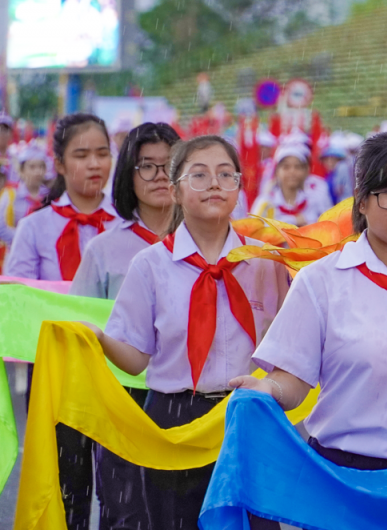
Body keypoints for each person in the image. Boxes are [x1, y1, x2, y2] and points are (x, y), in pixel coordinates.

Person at [230, 131, 387, 525]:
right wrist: (267, 389)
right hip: (341, 482)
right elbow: (293, 380)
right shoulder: (321, 282)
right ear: (362, 198)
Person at [85, 135, 290, 530]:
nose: (214, 183)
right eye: (199, 175)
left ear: (239, 188)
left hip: (249, 414)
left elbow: (291, 345)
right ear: (175, 189)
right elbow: (135, 358)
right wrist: (96, 338)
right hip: (176, 418)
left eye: (225, 174)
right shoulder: (150, 266)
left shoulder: (267, 263)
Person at [5, 113, 121, 530]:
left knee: (120, 484)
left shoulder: (131, 226)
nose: (94, 164)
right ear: (58, 163)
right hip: (57, 369)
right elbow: (19, 298)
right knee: (66, 482)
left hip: (120, 368)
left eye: (103, 154)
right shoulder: (36, 227)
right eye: (82, 154)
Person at [70, 121, 180, 530]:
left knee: (184, 512)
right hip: (122, 399)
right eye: (146, 166)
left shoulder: (213, 245)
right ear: (127, 176)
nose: (159, 176)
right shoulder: (104, 249)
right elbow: (80, 324)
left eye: (169, 165)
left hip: (191, 399)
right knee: (126, 511)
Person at [251, 145, 332, 226]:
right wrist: (294, 220)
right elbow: (254, 229)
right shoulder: (265, 202)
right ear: (277, 171)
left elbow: (326, 226)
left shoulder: (314, 201)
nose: (292, 172)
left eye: (297, 167)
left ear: (306, 171)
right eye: (286, 167)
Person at [0, 144, 50, 254]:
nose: (38, 171)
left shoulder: (49, 196)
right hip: (17, 252)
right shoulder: (11, 195)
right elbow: (1, 227)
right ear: (21, 171)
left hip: (43, 253)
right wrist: (25, 239)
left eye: (41, 167)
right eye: (32, 167)